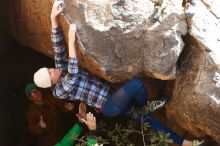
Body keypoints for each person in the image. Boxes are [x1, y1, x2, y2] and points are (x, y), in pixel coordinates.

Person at [33, 0, 204, 145]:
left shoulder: (58, 70)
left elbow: (57, 47)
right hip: (108, 106)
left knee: (146, 119)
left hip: (112, 96)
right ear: (52, 82)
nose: (52, 69)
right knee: (136, 84)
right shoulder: (60, 91)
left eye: (48, 68)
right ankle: (146, 107)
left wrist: (52, 17)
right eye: (50, 72)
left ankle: (183, 142)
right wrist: (72, 41)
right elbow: (73, 72)